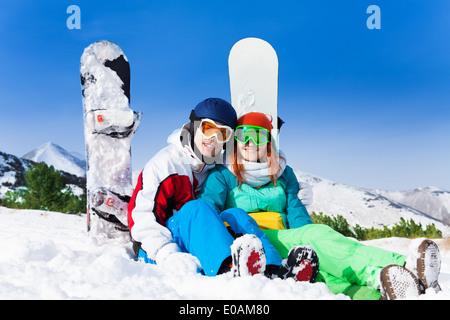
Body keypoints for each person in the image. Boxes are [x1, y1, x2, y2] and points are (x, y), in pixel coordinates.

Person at [197, 111, 442, 300]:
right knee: (319, 237)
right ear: (235, 141)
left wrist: (308, 242)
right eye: (243, 136)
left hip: (286, 237)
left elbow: (296, 213)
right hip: (253, 239)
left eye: (258, 135)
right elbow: (208, 212)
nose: (250, 143)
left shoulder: (282, 174)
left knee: (323, 273)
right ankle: (404, 265)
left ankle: (387, 288)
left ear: (269, 141)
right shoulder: (223, 174)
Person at [127, 98, 314, 280]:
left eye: (222, 134)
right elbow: (141, 217)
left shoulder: (213, 163)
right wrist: (166, 253)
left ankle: (273, 269)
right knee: (198, 207)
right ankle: (228, 268)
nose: (213, 140)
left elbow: (249, 168)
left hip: (198, 240)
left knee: (236, 214)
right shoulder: (167, 164)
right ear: (193, 126)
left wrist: (294, 190)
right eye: (208, 129)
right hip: (160, 247)